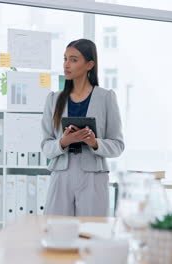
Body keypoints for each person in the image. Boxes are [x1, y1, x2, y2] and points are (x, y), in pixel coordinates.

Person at [41, 39, 124, 217]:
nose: (66, 65)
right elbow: (45, 146)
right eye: (65, 59)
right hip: (61, 174)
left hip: (93, 175)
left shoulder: (106, 97)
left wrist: (95, 143)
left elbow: (118, 145)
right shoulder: (53, 99)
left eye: (73, 59)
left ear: (89, 65)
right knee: (58, 232)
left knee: (92, 234)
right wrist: (63, 142)